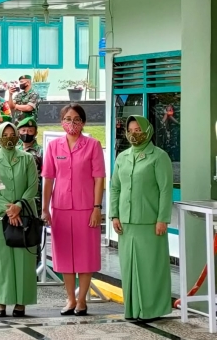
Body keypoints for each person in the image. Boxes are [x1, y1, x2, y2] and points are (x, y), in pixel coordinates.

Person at [42, 104, 105, 316]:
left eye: (76, 119)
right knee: (65, 256)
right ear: (61, 122)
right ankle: (69, 299)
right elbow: (48, 179)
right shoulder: (54, 147)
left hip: (86, 208)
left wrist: (97, 207)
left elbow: (99, 179)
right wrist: (45, 208)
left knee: (85, 255)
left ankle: (82, 300)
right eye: (67, 119)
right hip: (60, 208)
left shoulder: (93, 145)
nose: (72, 123)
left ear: (83, 122)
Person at [110, 115, 173, 321]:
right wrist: (114, 215)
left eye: (138, 129)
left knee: (150, 268)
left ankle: (152, 310)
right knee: (129, 268)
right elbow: (115, 188)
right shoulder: (123, 157)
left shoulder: (159, 156)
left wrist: (162, 218)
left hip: (150, 222)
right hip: (126, 223)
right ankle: (133, 309)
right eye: (131, 130)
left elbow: (165, 190)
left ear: (147, 131)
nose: (134, 134)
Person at [0, 122, 39, 318]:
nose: (9, 138)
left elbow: (33, 186)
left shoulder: (27, 159)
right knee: (2, 260)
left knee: (24, 260)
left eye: (12, 134)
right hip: (0, 216)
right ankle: (0, 301)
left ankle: (21, 302)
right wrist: (9, 210)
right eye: (4, 134)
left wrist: (18, 205)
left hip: (24, 214)